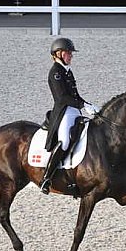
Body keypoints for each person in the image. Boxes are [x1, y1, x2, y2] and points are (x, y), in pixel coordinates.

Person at [41, 37, 98, 194]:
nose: (71, 56)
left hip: (74, 110)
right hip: (63, 111)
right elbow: (62, 98)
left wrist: (88, 105)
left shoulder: (67, 71)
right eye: (68, 53)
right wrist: (82, 106)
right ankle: (47, 178)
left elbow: (75, 95)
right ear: (58, 54)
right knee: (65, 141)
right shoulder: (55, 73)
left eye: (71, 53)